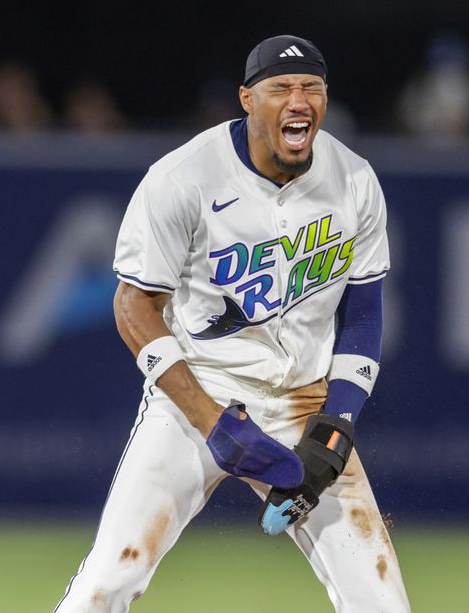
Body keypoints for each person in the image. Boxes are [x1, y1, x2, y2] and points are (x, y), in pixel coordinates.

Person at [55, 35, 411, 612]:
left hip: (303, 400)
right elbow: (134, 307)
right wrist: (212, 421)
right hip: (195, 397)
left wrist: (338, 423)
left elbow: (364, 312)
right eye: (281, 88)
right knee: (110, 581)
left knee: (381, 603)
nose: (298, 100)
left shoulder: (354, 181)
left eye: (311, 89)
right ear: (247, 99)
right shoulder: (185, 178)